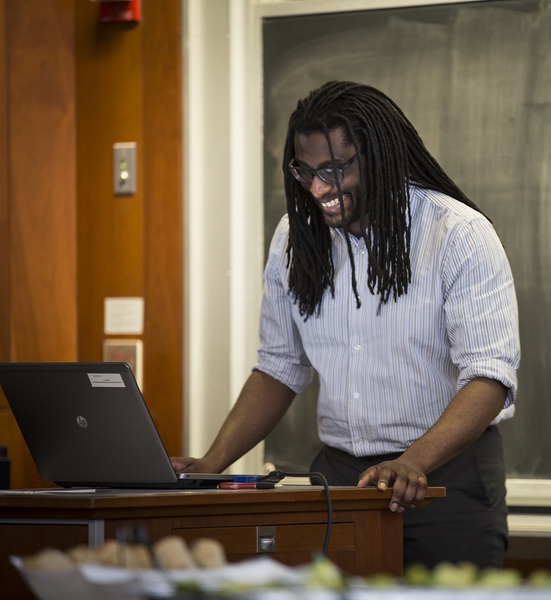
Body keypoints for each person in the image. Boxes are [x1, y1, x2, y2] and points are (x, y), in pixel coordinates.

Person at [172, 81, 520, 569]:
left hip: (445, 480)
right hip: (341, 480)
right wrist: (211, 463)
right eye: (306, 171)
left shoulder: (458, 234)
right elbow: (279, 368)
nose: (318, 189)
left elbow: (488, 377)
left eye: (335, 170)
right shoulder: (295, 238)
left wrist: (413, 461)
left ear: (380, 156)